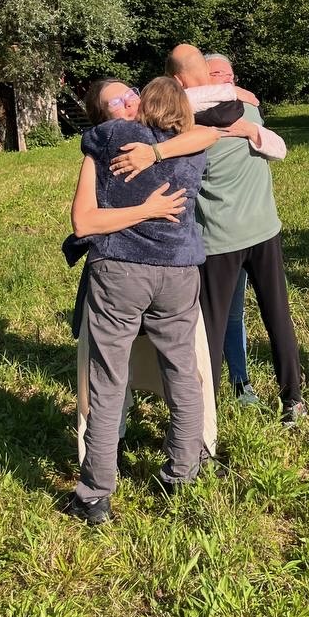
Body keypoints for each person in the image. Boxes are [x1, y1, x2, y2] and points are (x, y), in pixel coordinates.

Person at [111, 45, 307, 426]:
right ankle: (293, 400)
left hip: (218, 239)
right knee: (278, 316)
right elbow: (273, 143)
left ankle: (206, 414)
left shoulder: (180, 121)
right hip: (264, 229)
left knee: (210, 330)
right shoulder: (245, 107)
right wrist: (237, 96)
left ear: (177, 80)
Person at [66, 77, 212, 525]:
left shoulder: (107, 140)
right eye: (117, 100)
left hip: (121, 271)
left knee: (109, 378)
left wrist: (151, 157)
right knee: (182, 370)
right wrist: (148, 209)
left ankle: (95, 493)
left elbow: (82, 224)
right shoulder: (188, 143)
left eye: (131, 92)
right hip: (179, 271)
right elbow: (210, 130)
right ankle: (183, 471)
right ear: (103, 113)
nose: (129, 100)